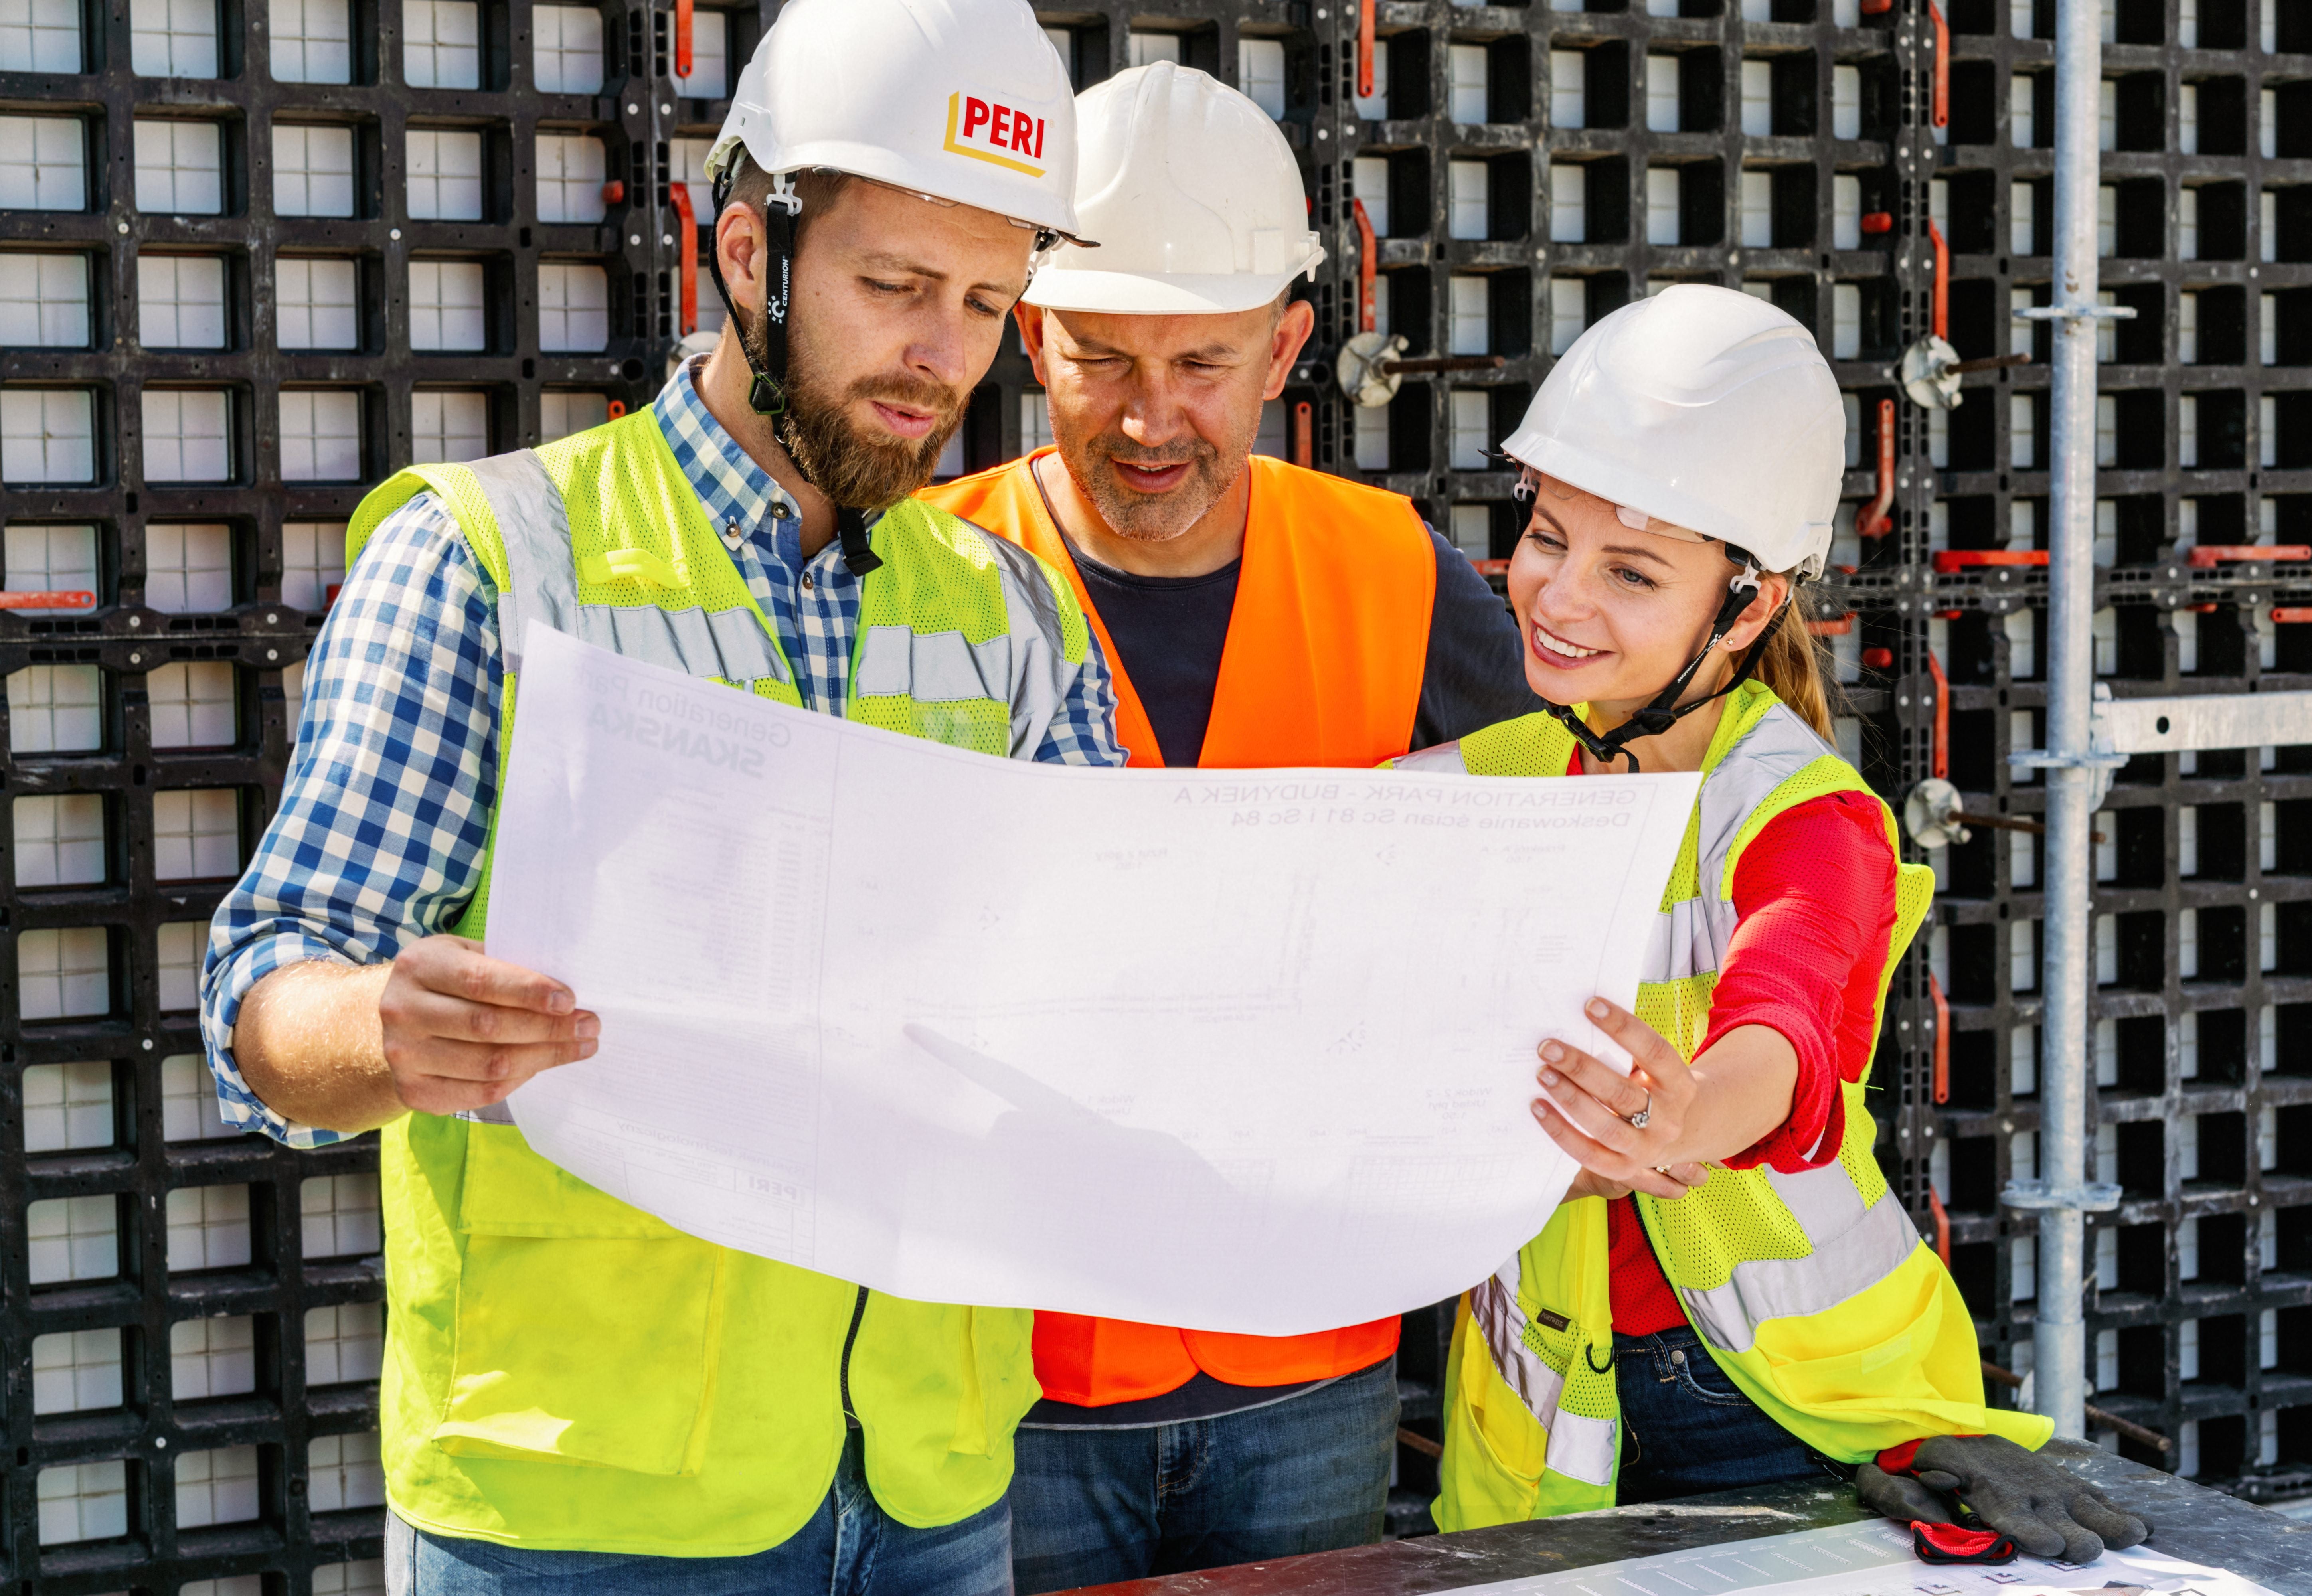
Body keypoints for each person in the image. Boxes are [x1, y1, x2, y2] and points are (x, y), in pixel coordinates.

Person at [198, 1, 1123, 1591]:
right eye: (893, 286)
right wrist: (385, 1029)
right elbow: (265, 989)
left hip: (930, 1482)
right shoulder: (491, 561)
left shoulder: (1015, 616)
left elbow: (1110, 982)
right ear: (746, 250)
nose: (941, 357)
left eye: (986, 302)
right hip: (584, 1513)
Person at [1391, 284, 2151, 1566]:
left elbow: (1786, 1014)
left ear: (1745, 609)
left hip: (1780, 1411)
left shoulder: (1808, 814)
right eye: (1547, 537)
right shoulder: (1486, 781)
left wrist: (1679, 1118)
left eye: (1631, 571)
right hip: (1548, 1418)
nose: (1559, 597)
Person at [917, 59, 1541, 1595]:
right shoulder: (920, 578)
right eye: (1100, 360)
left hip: (1310, 1360)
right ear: (1029, 338)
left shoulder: (1391, 570)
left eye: (1202, 362)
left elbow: (1551, 851)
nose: (1149, 420)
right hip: (1016, 1375)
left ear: (1287, 347)